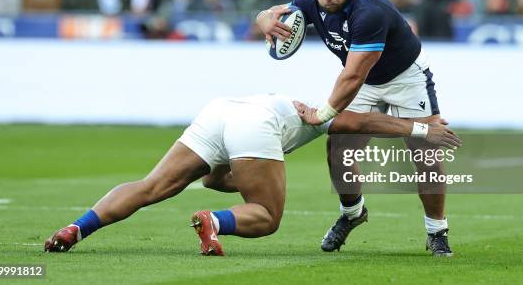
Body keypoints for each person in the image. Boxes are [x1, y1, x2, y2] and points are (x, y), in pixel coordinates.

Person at [44, 94, 460, 256]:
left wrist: (252, 174)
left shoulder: (294, 93)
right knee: (266, 215)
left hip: (220, 111)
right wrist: (423, 128)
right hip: (255, 125)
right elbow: (367, 123)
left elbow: (212, 179)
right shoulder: (326, 105)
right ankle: (215, 222)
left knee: (151, 186)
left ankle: (75, 229)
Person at [256, 0, 454, 256]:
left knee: (425, 151)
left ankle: (436, 230)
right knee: (339, 146)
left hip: (405, 77)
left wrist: (322, 114)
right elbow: (272, 13)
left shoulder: (369, 11)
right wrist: (264, 20)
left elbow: (352, 77)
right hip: (362, 78)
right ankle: (352, 214)